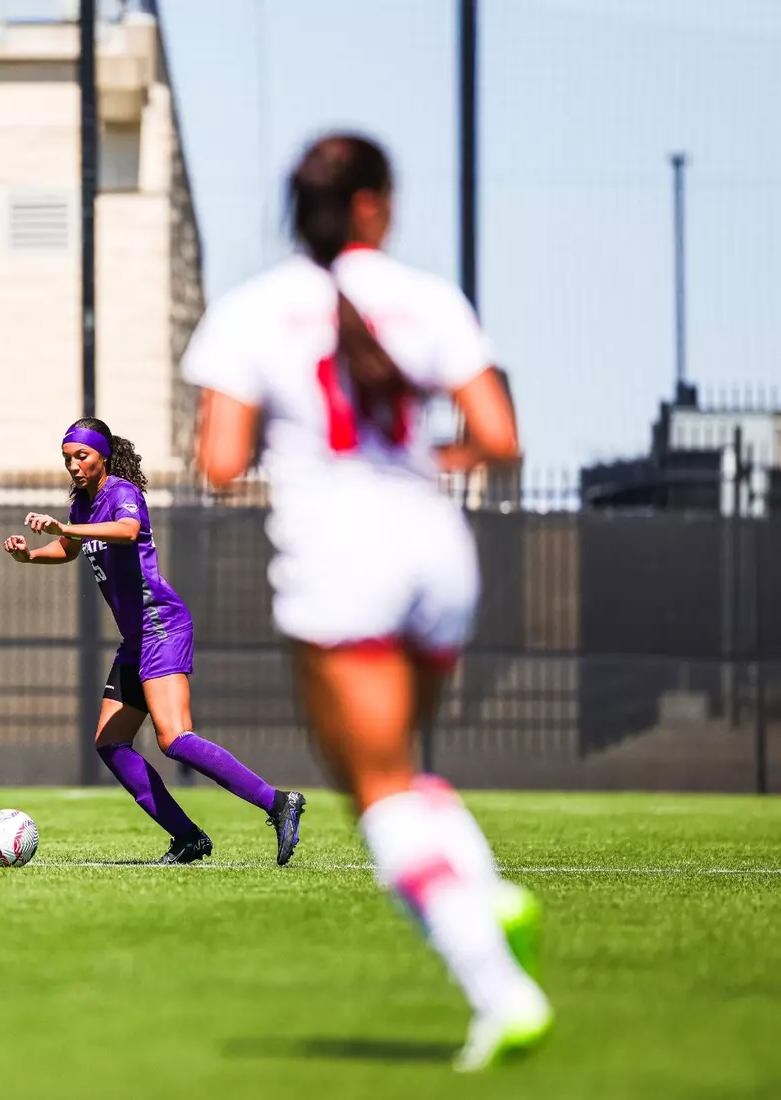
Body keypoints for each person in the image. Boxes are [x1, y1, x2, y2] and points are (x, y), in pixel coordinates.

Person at [184, 133, 549, 1071]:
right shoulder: (430, 297)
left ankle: (497, 988)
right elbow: (500, 436)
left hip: (342, 554)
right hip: (436, 548)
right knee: (399, 763)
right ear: (377, 204)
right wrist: (427, 462)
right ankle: (480, 889)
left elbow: (220, 464)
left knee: (372, 785)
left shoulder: (254, 309)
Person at [3, 417, 306, 865]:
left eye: (81, 456)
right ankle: (188, 838)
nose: (73, 465)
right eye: (67, 458)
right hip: (136, 637)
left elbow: (125, 532)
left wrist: (65, 529)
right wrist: (31, 555)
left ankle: (279, 804)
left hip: (161, 626)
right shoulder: (83, 505)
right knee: (110, 744)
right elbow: (70, 549)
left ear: (103, 455)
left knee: (175, 738)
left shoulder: (122, 493)